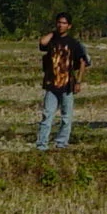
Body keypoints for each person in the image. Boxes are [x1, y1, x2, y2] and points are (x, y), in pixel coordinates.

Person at [36, 12, 91, 150]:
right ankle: (42, 144)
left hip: (67, 84)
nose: (61, 25)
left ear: (69, 26)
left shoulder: (74, 43)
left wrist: (78, 82)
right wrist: (53, 33)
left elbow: (83, 61)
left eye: (64, 23)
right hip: (51, 83)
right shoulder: (52, 40)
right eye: (59, 22)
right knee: (47, 115)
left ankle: (61, 143)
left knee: (66, 117)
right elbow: (42, 43)